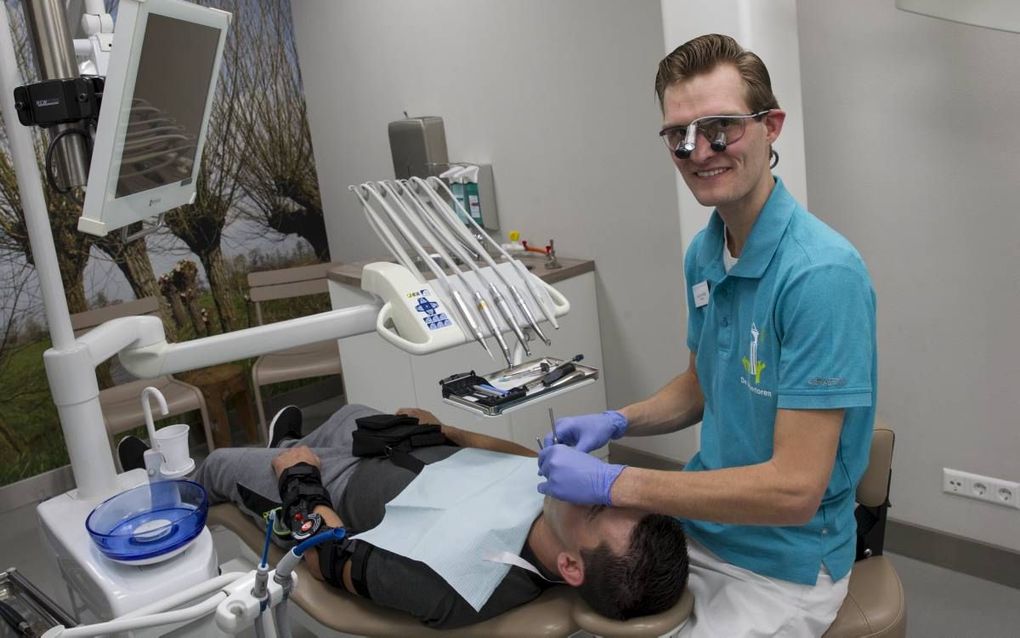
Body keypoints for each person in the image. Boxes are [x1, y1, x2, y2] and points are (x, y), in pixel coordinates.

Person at [536, 34, 876, 637]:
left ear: (771, 126)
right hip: (700, 527)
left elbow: (795, 491)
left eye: (721, 128)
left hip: (782, 564)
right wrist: (617, 421)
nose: (700, 151)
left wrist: (617, 483)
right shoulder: (706, 253)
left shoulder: (820, 276)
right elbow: (700, 385)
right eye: (679, 135)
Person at [151, 403, 689, 630]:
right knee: (347, 412)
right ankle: (289, 442)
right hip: (398, 444)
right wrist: (447, 431)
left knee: (222, 466)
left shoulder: (454, 583)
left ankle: (174, 485)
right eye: (615, 493)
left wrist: (299, 480)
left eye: (599, 505)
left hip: (337, 488)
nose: (595, 486)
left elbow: (329, 556)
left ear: (572, 568)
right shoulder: (563, 502)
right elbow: (515, 459)